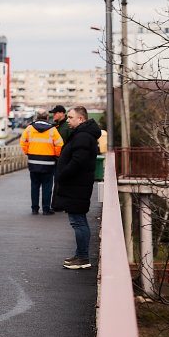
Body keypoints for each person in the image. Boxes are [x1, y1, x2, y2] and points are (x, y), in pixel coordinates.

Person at [51, 106, 101, 269]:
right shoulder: (83, 135)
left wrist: (62, 174)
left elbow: (78, 162)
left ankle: (83, 258)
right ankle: (80, 255)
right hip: (78, 185)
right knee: (78, 220)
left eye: (71, 117)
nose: (68, 120)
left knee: (78, 221)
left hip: (76, 185)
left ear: (80, 119)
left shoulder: (83, 137)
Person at [20, 109, 64, 215]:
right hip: (48, 162)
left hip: (33, 161)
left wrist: (28, 152)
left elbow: (23, 142)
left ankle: (34, 209)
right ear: (47, 117)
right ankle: (45, 209)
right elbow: (59, 144)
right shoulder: (52, 130)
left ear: (36, 117)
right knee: (47, 186)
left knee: (34, 185)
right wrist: (55, 155)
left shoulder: (29, 129)